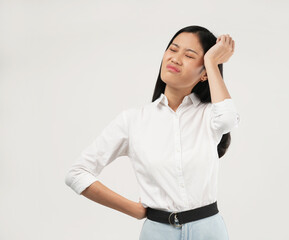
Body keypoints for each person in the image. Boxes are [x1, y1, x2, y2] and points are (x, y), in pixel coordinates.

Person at [65, 25, 240, 239]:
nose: (175, 59)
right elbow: (77, 173)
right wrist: (134, 209)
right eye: (173, 50)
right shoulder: (133, 121)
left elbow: (228, 119)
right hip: (158, 232)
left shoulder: (209, 115)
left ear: (204, 74)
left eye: (189, 55)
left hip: (209, 231)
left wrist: (212, 62)